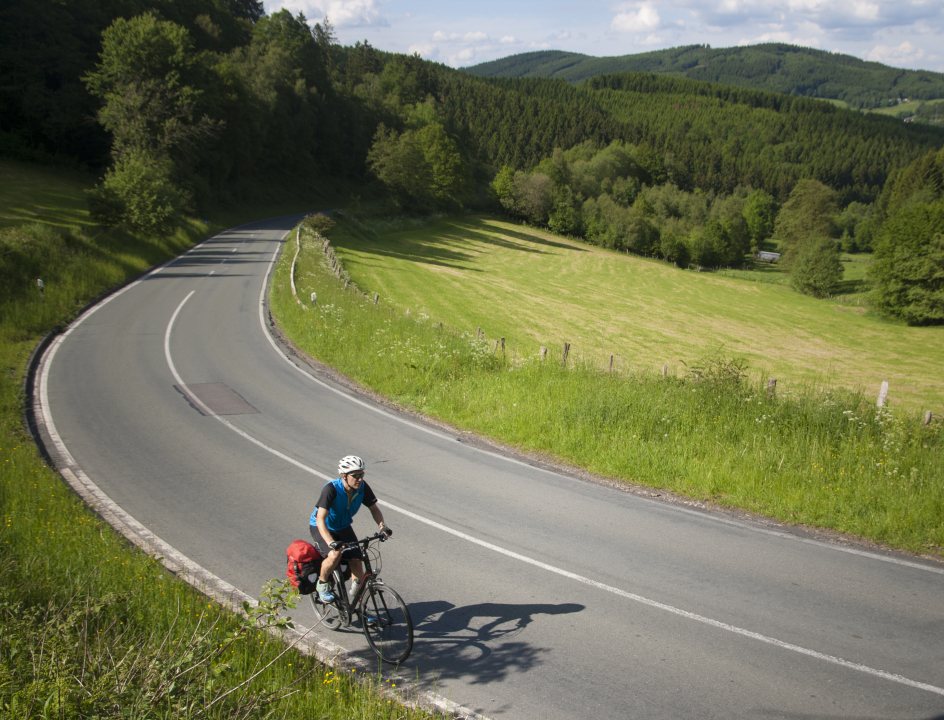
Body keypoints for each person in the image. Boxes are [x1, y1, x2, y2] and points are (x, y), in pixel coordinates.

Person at [309, 454, 389, 603]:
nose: (360, 479)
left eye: (362, 474)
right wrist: (331, 542)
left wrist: (382, 527)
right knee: (334, 555)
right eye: (355, 475)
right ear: (344, 476)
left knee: (356, 560)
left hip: (343, 526)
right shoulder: (331, 489)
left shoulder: (363, 487)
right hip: (322, 526)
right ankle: (322, 584)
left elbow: (374, 508)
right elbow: (320, 519)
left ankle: (358, 603)